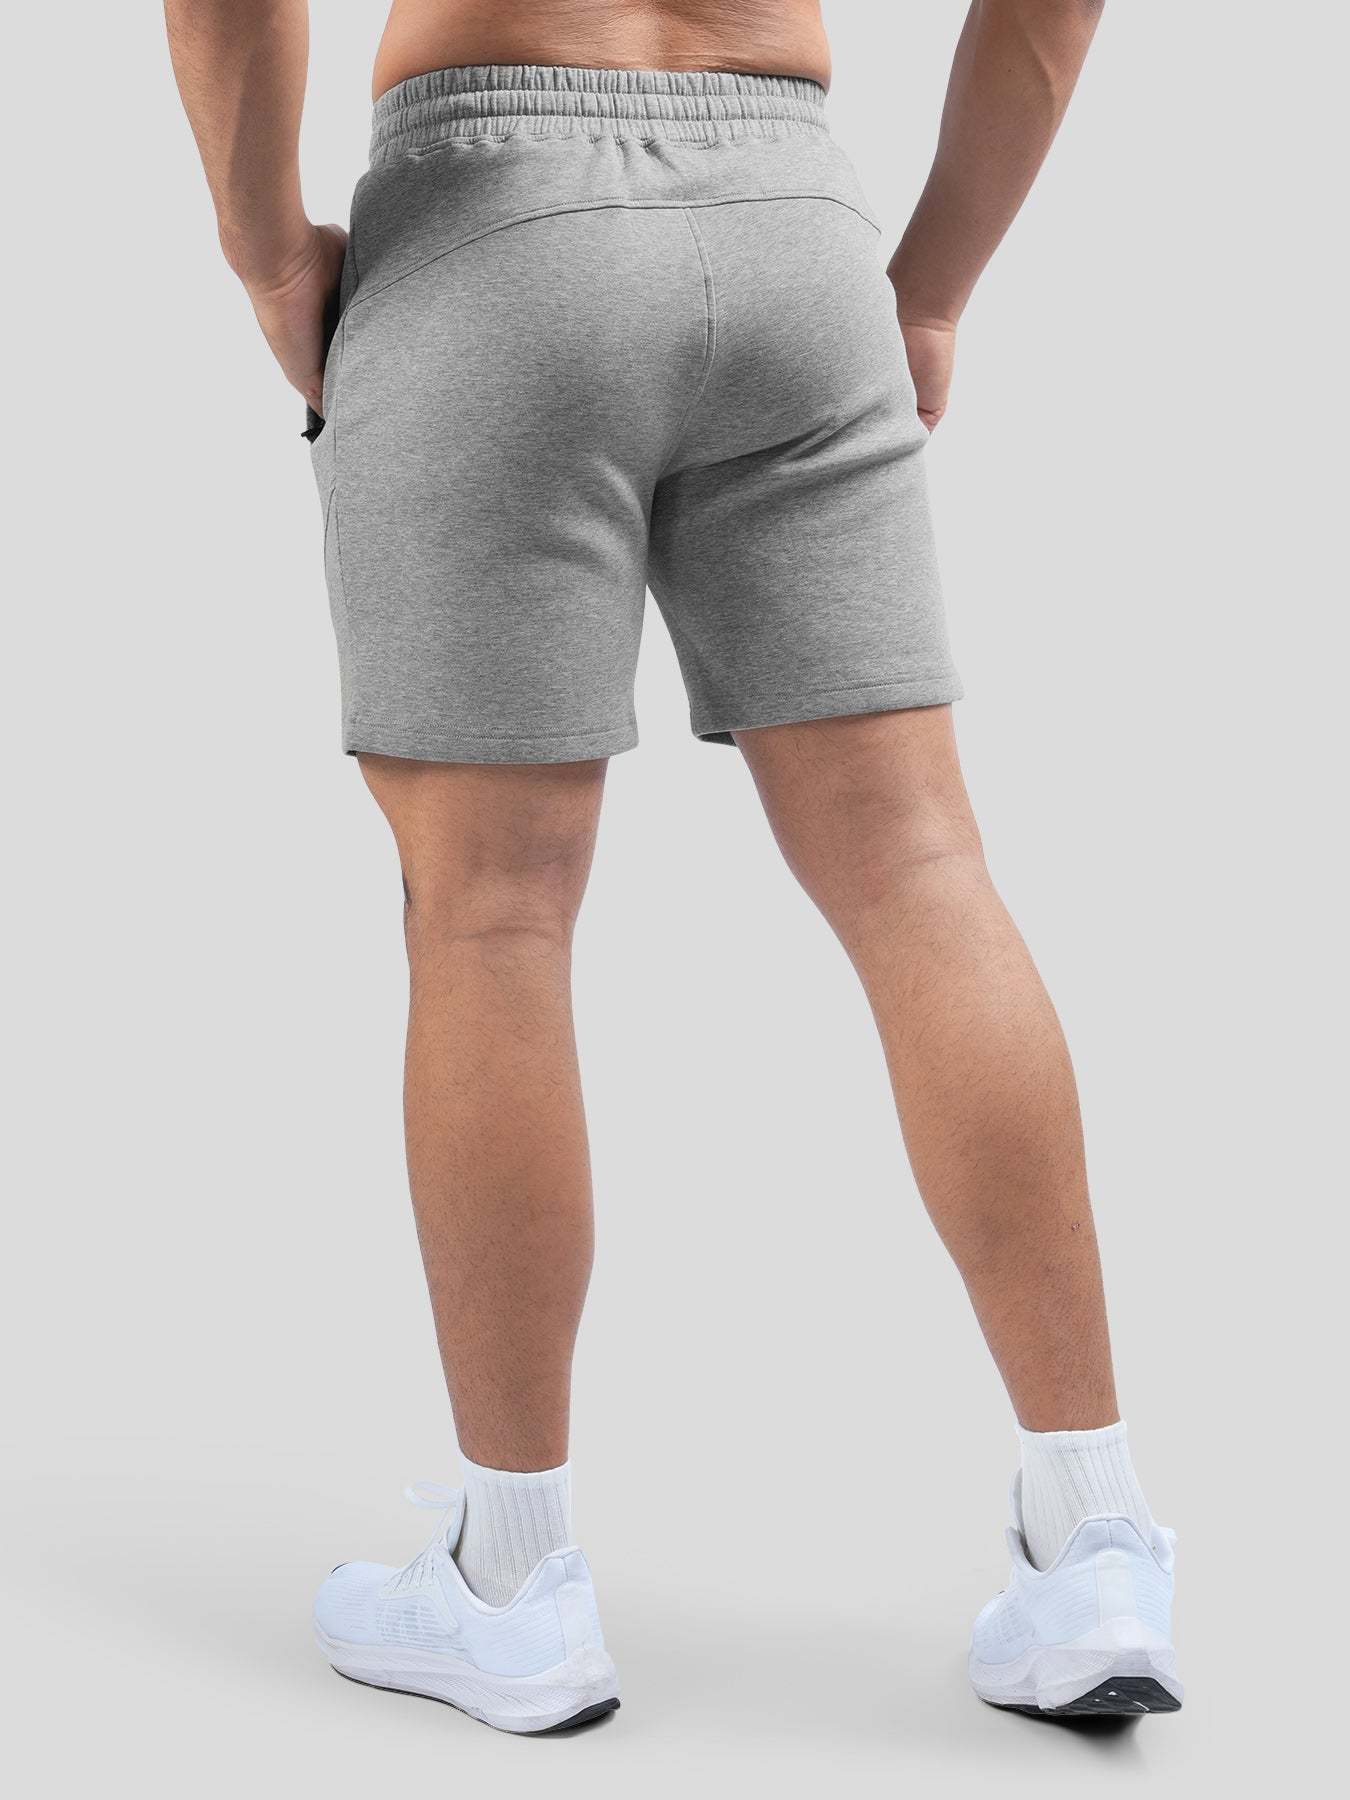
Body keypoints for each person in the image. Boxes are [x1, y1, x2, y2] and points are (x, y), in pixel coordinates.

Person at [165, 0, 1181, 1732]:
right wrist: (928, 287)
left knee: (490, 913)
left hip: (489, 231)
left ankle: (512, 1584)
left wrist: (268, 255)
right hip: (793, 234)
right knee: (921, 867)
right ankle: (1095, 1541)